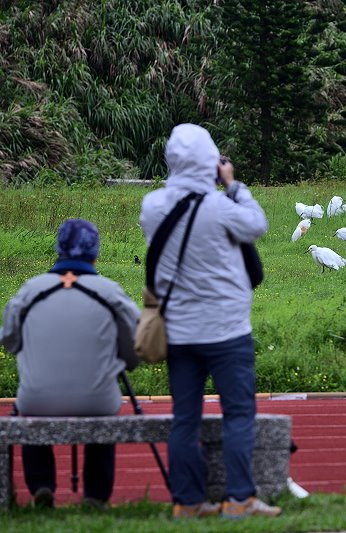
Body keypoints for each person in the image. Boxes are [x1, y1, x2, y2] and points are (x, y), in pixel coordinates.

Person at [139, 123, 278, 519]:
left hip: (179, 332)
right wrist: (232, 184)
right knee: (237, 414)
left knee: (185, 418)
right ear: (210, 161)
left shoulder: (152, 206)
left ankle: (187, 502)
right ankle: (239, 499)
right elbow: (257, 224)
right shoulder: (221, 206)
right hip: (227, 330)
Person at [0, 218, 140, 508]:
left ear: (59, 249)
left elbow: (10, 342)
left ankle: (41, 485)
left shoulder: (29, 290)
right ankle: (96, 495)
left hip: (37, 399)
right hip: (97, 400)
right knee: (104, 410)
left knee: (30, 409)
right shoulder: (111, 292)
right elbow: (133, 352)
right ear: (95, 252)